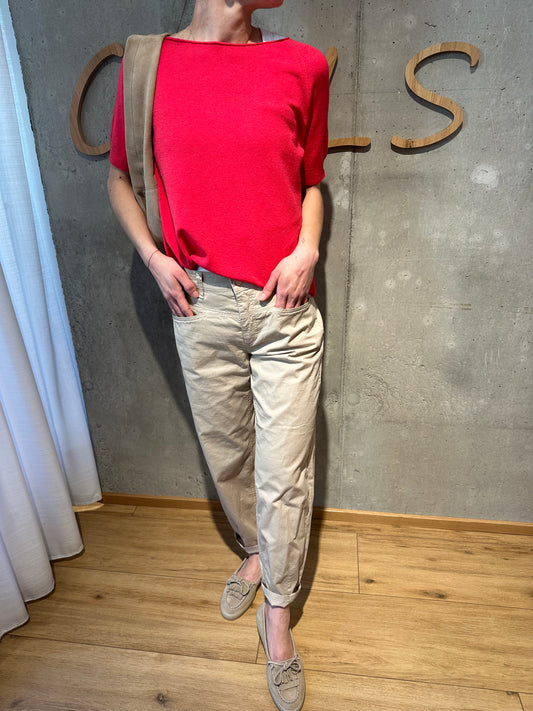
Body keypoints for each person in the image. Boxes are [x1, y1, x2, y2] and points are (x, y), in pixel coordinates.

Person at [107, 1, 329, 709]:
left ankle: (278, 614)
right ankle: (258, 551)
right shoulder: (147, 63)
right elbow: (119, 176)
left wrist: (307, 248)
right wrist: (153, 258)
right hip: (199, 303)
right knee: (227, 454)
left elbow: (312, 182)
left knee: (284, 469)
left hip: (283, 305)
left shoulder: (302, 64)